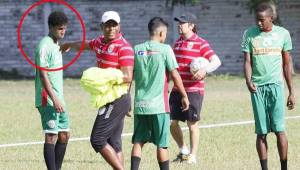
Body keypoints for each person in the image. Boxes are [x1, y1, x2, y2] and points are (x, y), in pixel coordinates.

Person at [61, 11, 133, 170]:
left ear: (119, 26)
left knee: (98, 139)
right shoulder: (100, 42)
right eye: (108, 25)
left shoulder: (124, 48)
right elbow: (86, 44)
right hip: (108, 97)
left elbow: (128, 76)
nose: (111, 28)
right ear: (102, 26)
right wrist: (69, 44)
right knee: (115, 143)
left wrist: (104, 77)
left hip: (116, 98)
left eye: (114, 25)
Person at [130, 17, 190, 170]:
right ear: (161, 33)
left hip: (140, 105)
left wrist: (126, 97)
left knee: (138, 141)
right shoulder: (165, 50)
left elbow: (129, 76)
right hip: (159, 107)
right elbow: (175, 75)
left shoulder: (137, 49)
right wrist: (184, 95)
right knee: (162, 144)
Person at [241, 3, 295, 170]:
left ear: (271, 18)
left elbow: (287, 64)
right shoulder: (249, 34)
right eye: (257, 20)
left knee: (280, 130)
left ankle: (283, 167)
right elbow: (247, 61)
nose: (258, 23)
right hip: (257, 88)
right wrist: (248, 80)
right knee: (261, 132)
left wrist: (291, 92)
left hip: (276, 87)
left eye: (262, 20)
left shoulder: (283, 34)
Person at [170, 13, 221, 164]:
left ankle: (192, 155)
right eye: (178, 23)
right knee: (171, 122)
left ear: (191, 25)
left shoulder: (201, 43)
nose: (179, 25)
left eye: (182, 23)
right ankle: (183, 149)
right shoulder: (177, 43)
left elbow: (216, 61)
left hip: (193, 90)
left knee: (192, 124)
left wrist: (204, 71)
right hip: (177, 90)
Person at [35, 11, 70, 170]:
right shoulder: (44, 45)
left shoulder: (57, 45)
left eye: (64, 28)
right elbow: (43, 75)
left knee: (64, 135)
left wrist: (64, 48)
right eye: (59, 29)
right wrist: (54, 98)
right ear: (50, 27)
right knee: (51, 135)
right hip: (48, 98)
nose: (63, 31)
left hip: (59, 98)